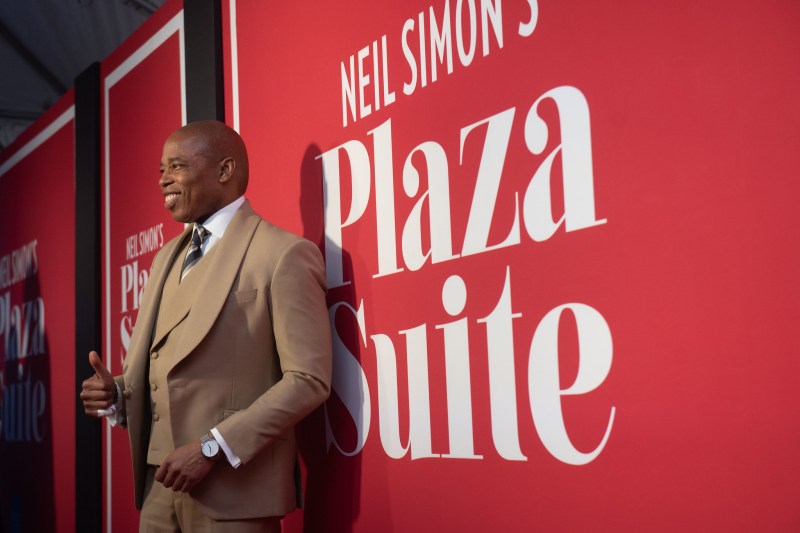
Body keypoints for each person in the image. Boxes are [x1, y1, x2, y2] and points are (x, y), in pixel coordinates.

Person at [80, 120, 332, 532]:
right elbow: (170, 372)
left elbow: (308, 379)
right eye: (161, 169)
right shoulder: (165, 258)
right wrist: (117, 396)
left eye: (176, 166)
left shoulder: (283, 254)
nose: (163, 180)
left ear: (225, 170)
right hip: (159, 492)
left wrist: (213, 446)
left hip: (235, 495)